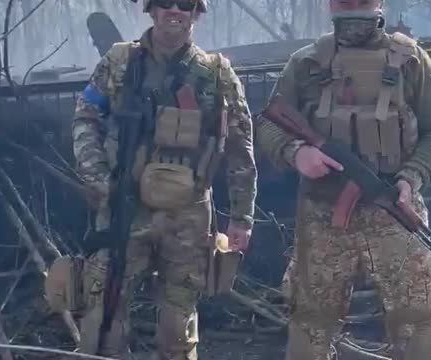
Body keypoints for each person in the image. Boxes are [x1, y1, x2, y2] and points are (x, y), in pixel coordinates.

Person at [256, 0, 431, 359]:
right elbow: (270, 123)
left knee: (416, 321)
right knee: (310, 323)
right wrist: (296, 153)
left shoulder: (411, 60)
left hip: (394, 210)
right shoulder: (307, 62)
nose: (353, 7)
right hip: (323, 215)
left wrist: (412, 176)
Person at [68, 0, 257, 358]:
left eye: (185, 4)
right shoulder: (120, 62)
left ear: (196, 13)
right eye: (165, 3)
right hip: (125, 205)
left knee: (178, 326)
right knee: (103, 319)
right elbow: (86, 117)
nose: (175, 11)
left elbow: (239, 147)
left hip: (187, 217)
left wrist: (242, 216)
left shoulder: (216, 73)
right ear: (151, 10)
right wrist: (96, 176)